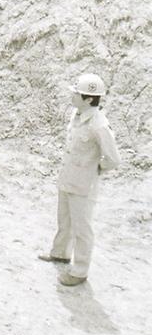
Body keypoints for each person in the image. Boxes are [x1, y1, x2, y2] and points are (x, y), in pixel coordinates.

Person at [38, 73, 120, 286]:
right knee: (64, 219)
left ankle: (80, 270)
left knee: (82, 228)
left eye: (76, 94)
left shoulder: (99, 124)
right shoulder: (77, 114)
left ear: (89, 99)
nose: (72, 96)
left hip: (84, 183)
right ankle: (60, 253)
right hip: (68, 178)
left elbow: (112, 158)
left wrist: (94, 169)